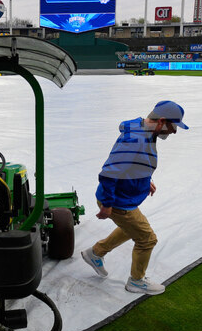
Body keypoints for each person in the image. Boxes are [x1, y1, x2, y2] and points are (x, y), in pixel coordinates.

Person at [81, 100, 189, 295]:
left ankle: (95, 253)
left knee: (131, 229)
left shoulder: (145, 132)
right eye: (173, 126)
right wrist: (106, 205)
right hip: (118, 201)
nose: (174, 132)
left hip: (125, 198)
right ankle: (136, 281)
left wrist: (146, 180)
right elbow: (109, 173)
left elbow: (134, 161)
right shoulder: (135, 139)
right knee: (147, 239)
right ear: (161, 121)